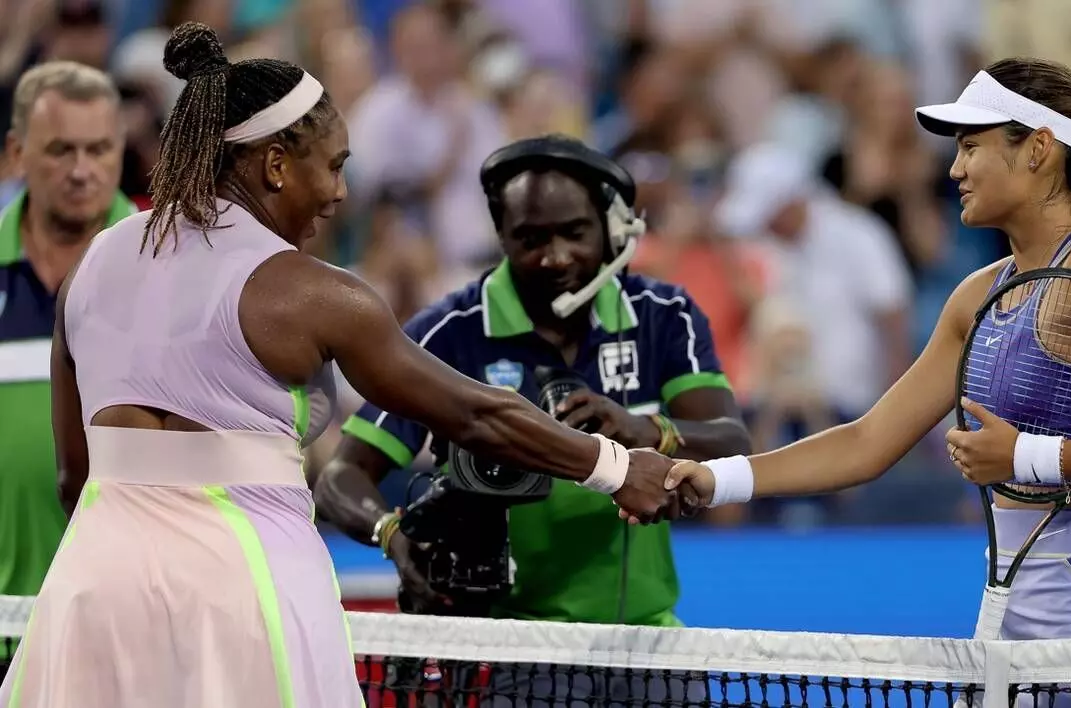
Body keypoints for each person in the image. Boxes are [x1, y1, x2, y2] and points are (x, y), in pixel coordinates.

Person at [0, 23, 676, 708]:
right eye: (334, 165)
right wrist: (615, 468)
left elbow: (73, 479)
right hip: (241, 595)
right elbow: (475, 414)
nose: (340, 192)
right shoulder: (313, 293)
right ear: (275, 165)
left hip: (92, 589)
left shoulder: (92, 266)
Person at [663, 57, 1071, 689]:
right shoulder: (975, 296)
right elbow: (867, 442)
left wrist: (1025, 456)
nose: (954, 169)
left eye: (971, 147)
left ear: (1037, 149)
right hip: (1010, 618)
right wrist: (718, 478)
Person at [314, 134, 749, 705]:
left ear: (612, 228)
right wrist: (392, 536)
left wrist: (650, 430)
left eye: (574, 232)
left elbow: (731, 442)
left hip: (655, 645)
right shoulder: (449, 334)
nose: (556, 256)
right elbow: (340, 478)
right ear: (501, 236)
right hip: (516, 651)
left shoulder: (664, 316)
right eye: (531, 238)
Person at [0, 62, 133, 617]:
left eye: (98, 149)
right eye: (61, 151)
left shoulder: (170, 269)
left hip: (126, 617)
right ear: (16, 153)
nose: (82, 171)